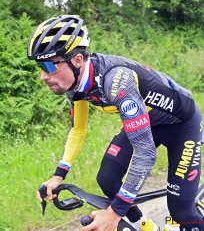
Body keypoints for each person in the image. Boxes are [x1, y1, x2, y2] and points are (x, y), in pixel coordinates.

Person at [27, 15, 204, 231]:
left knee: (181, 211)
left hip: (182, 126)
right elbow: (78, 129)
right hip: (147, 120)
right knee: (107, 178)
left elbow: (145, 152)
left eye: (48, 65)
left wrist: (115, 212)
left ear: (77, 60)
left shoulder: (117, 81)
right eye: (39, 66)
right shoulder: (75, 87)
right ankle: (147, 227)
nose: (43, 76)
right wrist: (58, 176)